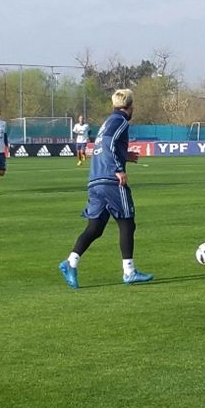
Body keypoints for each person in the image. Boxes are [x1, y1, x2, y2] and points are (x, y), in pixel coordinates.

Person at [59, 89, 153, 288]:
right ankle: (129, 272)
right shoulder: (121, 121)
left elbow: (101, 147)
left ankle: (70, 262)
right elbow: (109, 144)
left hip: (95, 180)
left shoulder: (107, 122)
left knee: (95, 227)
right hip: (110, 180)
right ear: (130, 106)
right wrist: (118, 168)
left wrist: (125, 155)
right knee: (127, 223)